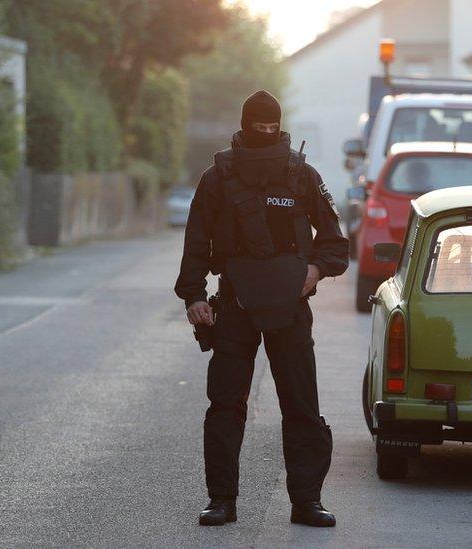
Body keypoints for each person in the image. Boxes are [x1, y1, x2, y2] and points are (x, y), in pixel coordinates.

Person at [175, 90, 349, 528]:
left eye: (273, 127)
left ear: (281, 125)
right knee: (225, 405)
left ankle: (306, 502)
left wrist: (314, 271)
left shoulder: (301, 175)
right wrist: (194, 295)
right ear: (245, 124)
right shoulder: (218, 178)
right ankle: (222, 501)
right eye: (259, 126)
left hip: (291, 305)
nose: (266, 134)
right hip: (234, 304)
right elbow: (196, 241)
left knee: (301, 404)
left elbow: (334, 242)